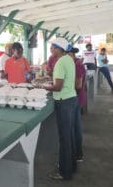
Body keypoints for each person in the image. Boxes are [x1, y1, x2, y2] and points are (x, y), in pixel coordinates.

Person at [43, 38, 77, 180]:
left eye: (52, 47)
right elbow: (63, 80)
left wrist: (43, 86)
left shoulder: (60, 62)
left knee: (64, 138)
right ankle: (72, 166)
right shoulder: (69, 59)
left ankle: (64, 172)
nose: (50, 49)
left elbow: (58, 87)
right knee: (70, 135)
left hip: (63, 101)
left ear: (58, 48)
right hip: (72, 99)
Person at [68, 47, 86, 162]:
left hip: (76, 99)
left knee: (76, 127)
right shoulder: (72, 63)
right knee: (74, 126)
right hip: (74, 98)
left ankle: (78, 153)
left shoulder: (77, 65)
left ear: (71, 54)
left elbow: (78, 85)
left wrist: (62, 86)